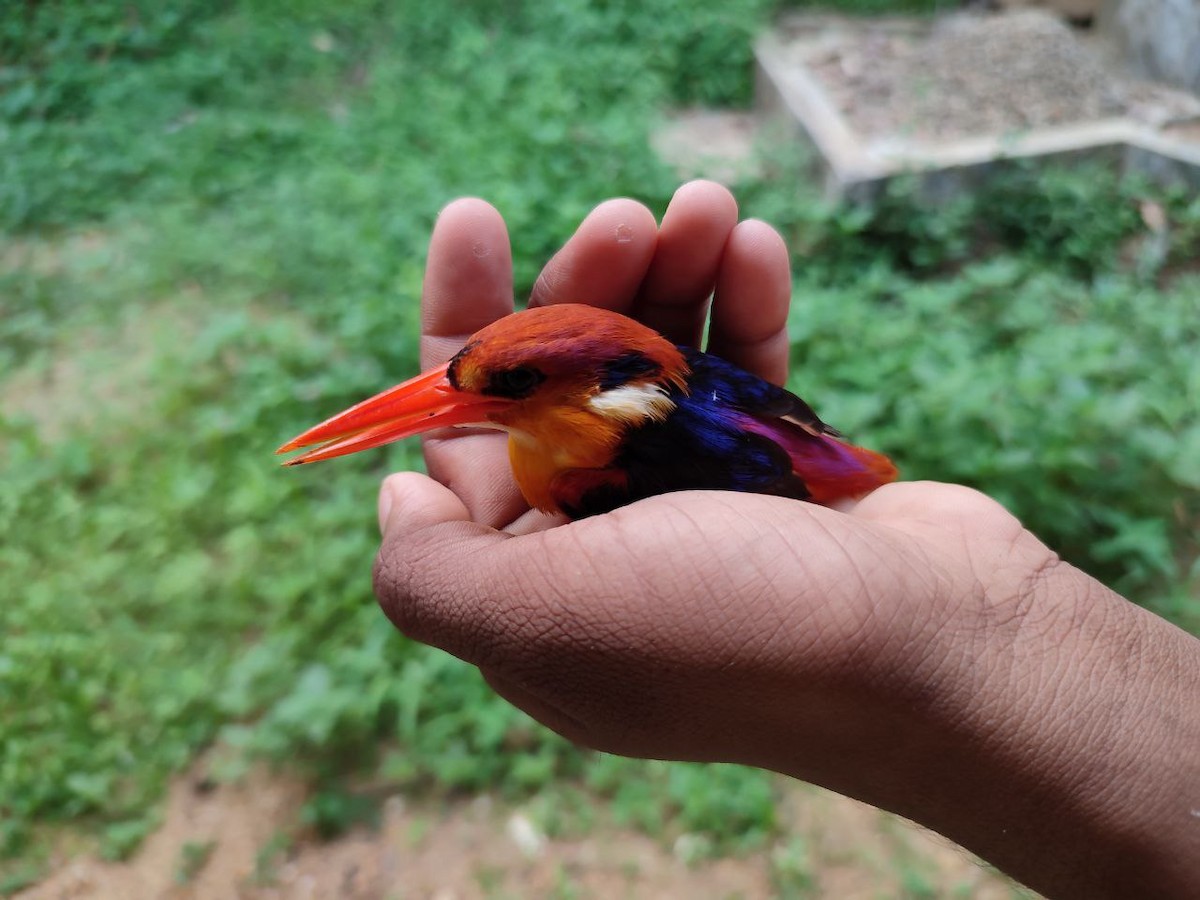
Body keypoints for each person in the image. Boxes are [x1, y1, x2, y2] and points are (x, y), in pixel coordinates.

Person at [371, 181, 1200, 898]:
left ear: (612, 386)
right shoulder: (608, 415)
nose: (491, 396)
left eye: (516, 382)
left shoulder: (592, 475)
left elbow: (790, 452)